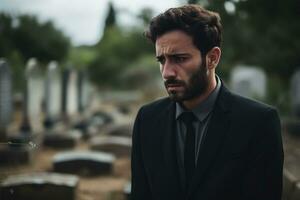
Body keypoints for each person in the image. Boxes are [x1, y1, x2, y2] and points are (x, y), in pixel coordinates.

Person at [131, 4, 284, 200]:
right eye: (162, 60)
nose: (167, 72)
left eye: (179, 58)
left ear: (212, 58)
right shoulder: (148, 119)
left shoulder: (258, 122)